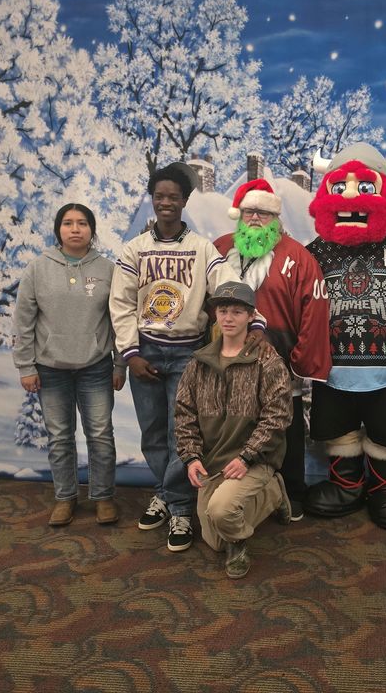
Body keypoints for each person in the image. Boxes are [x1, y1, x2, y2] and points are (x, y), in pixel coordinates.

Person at [109, 162, 263, 553]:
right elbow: (122, 304)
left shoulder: (201, 248)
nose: (165, 203)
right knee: (153, 432)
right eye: (159, 196)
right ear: (153, 200)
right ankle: (167, 494)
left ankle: (177, 508)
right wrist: (130, 354)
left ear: (184, 201)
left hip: (188, 356)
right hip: (145, 352)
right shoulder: (135, 250)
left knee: (183, 435)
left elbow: (229, 285)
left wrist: (254, 320)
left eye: (173, 197)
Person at [304, 142, 386, 530]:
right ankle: (346, 486)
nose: (351, 196)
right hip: (334, 370)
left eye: (364, 187)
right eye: (341, 187)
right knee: (339, 432)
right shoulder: (313, 253)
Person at [214, 178, 331, 518]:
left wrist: (298, 364)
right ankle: (232, 494)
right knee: (232, 432)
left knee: (285, 436)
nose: (254, 218)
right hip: (229, 366)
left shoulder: (299, 257)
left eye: (263, 213)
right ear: (239, 214)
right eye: (249, 211)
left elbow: (315, 312)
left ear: (276, 219)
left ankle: (291, 492)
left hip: (279, 366)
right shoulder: (220, 249)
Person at [13, 203, 126, 527]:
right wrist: (25, 366)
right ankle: (65, 497)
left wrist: (120, 364)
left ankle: (103, 497)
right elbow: (23, 321)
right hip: (50, 368)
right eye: (67, 223)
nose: (75, 229)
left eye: (82, 223)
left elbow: (119, 320)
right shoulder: (38, 268)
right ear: (58, 229)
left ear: (92, 229)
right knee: (60, 436)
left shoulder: (107, 269)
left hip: (95, 367)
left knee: (101, 434)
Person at [175, 281, 292, 579]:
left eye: (237, 311)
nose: (228, 317)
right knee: (212, 539)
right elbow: (184, 413)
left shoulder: (267, 360)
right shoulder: (199, 362)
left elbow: (278, 416)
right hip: (215, 460)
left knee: (222, 513)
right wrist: (191, 457)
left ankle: (240, 541)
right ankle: (274, 495)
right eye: (223, 310)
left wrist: (247, 457)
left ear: (251, 315)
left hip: (254, 458)